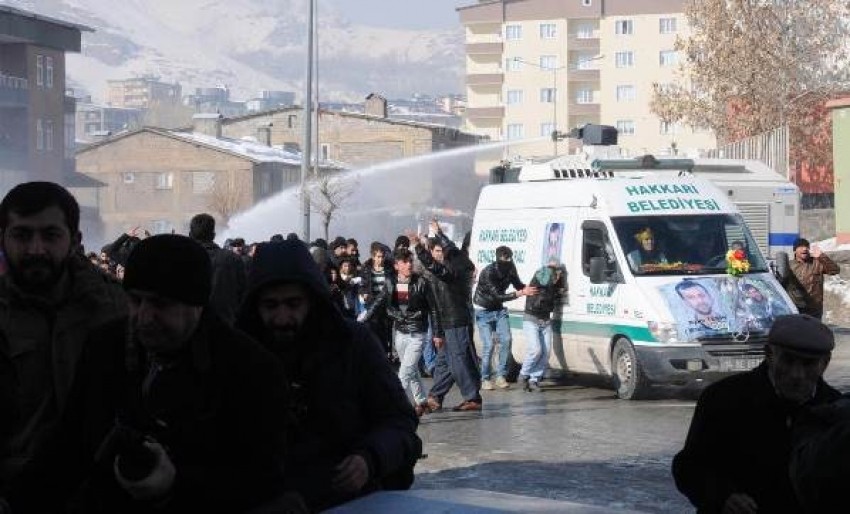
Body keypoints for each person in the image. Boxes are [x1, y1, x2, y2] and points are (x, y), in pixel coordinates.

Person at [0, 234, 293, 513]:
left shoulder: (250, 368)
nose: (144, 317)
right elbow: (70, 444)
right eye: (136, 300)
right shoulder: (105, 347)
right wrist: (14, 502)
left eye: (160, 304)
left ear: (196, 305)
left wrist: (174, 483)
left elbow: (261, 477)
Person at [235, 241, 421, 512]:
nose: (282, 317)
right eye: (270, 305)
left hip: (348, 501)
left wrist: (369, 459)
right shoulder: (241, 354)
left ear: (312, 301)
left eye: (293, 303)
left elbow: (400, 423)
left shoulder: (353, 344)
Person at [0, 182, 127, 485]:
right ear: (2, 239)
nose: (36, 249)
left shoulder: (115, 307)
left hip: (99, 486)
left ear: (74, 240)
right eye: (22, 235)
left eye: (50, 235)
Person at [672, 314, 841, 513]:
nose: (797, 374)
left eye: (808, 364)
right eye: (788, 361)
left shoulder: (835, 411)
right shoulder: (724, 399)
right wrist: (723, 496)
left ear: (825, 363)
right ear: (769, 354)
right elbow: (690, 467)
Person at [361, 248, 439, 417]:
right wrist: (363, 320)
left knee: (404, 372)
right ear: (397, 266)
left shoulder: (422, 282)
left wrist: (437, 334)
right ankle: (421, 402)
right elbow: (379, 302)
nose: (409, 264)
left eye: (410, 261)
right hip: (400, 333)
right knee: (411, 371)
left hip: (417, 333)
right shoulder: (391, 282)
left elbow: (434, 309)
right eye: (405, 262)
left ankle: (391, 408)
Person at [415, 219, 482, 412]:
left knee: (458, 359)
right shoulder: (455, 263)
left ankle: (472, 397)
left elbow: (438, 267)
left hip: (456, 320)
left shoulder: (457, 269)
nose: (440, 254)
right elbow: (434, 305)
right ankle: (436, 396)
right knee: (445, 361)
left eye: (441, 251)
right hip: (446, 322)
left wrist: (418, 248)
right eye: (436, 251)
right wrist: (439, 233)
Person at [472, 246, 537, 390]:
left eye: (509, 258)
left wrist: (532, 288)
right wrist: (520, 294)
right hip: (483, 310)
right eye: (504, 258)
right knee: (489, 345)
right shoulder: (488, 272)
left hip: (499, 310)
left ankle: (501, 375)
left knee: (507, 340)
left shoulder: (510, 268)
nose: (507, 261)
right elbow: (498, 296)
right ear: (497, 258)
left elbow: (518, 284)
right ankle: (485, 378)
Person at [189, 213, 247, 326]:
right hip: (226, 325)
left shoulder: (182, 260)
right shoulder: (233, 259)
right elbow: (243, 294)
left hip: (192, 328)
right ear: (214, 235)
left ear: (190, 235)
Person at [519, 258, 565, 392]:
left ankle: (534, 379)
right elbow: (544, 280)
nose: (556, 274)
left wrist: (559, 281)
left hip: (545, 320)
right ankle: (523, 375)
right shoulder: (542, 273)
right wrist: (552, 270)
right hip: (531, 318)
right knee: (535, 350)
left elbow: (555, 292)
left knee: (546, 353)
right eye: (555, 270)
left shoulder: (554, 282)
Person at [783, 237, 839, 319]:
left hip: (814, 308)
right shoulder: (789, 265)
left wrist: (821, 256)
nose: (805, 249)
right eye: (801, 247)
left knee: (814, 330)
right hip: (796, 307)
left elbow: (835, 270)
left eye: (806, 247)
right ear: (795, 250)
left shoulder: (817, 263)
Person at [359, 242, 395, 362]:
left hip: (386, 305)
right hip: (372, 304)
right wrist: (364, 293)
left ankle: (385, 355)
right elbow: (363, 284)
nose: (380, 259)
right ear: (373, 256)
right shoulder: (366, 268)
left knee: (386, 332)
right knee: (373, 331)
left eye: (382, 256)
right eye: (378, 257)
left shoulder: (389, 268)